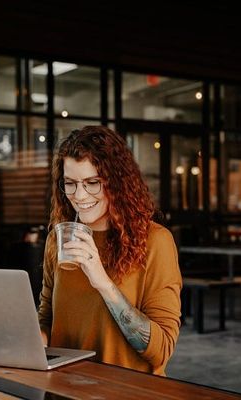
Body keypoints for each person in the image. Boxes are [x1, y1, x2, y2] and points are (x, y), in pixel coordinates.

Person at [38, 125, 182, 376]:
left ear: (117, 183)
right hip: (64, 389)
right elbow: (48, 317)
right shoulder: (58, 239)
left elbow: (161, 350)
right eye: (70, 183)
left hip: (126, 390)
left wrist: (102, 282)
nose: (79, 195)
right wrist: (25, 339)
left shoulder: (155, 241)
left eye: (93, 183)